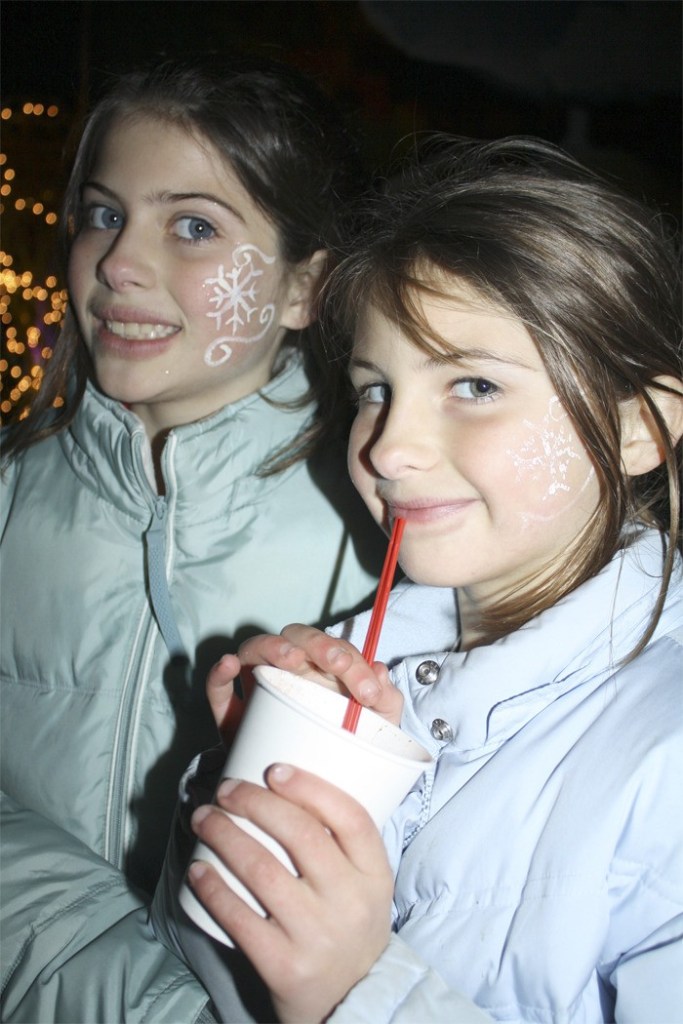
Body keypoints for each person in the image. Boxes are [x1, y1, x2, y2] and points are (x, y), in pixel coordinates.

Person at [155, 136, 683, 1022]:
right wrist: (243, 789)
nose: (387, 449)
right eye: (372, 388)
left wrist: (359, 994)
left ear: (639, 428)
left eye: (473, 385)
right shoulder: (374, 656)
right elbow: (205, 968)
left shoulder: (663, 765)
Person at [0, 55, 384, 1022]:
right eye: (102, 213)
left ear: (305, 289)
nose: (120, 261)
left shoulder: (383, 547)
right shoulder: (10, 497)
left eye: (194, 226)